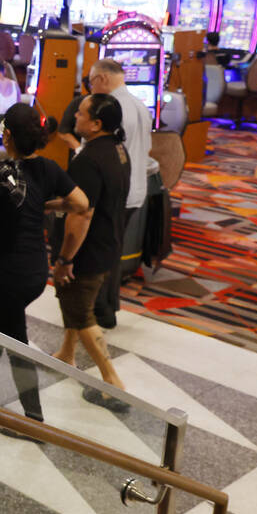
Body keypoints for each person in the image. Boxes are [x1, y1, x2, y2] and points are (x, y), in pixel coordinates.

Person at [0, 103, 89, 437]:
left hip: (5, 272)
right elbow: (80, 203)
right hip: (36, 270)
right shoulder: (49, 169)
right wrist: (44, 203)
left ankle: (33, 420)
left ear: (6, 135)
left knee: (15, 339)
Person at [52, 93, 131, 413]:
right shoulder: (117, 149)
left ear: (96, 124)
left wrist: (65, 259)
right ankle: (66, 354)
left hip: (88, 248)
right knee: (74, 301)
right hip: (111, 241)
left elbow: (81, 215)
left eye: (82, 115)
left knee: (83, 313)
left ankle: (113, 383)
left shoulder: (87, 159)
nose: (75, 119)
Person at [87, 58, 156, 328]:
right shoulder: (140, 104)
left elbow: (109, 157)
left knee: (102, 251)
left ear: (103, 79)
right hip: (136, 188)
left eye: (91, 82)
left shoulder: (112, 108)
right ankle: (107, 306)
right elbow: (147, 149)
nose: (91, 88)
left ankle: (101, 309)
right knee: (112, 250)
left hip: (117, 193)